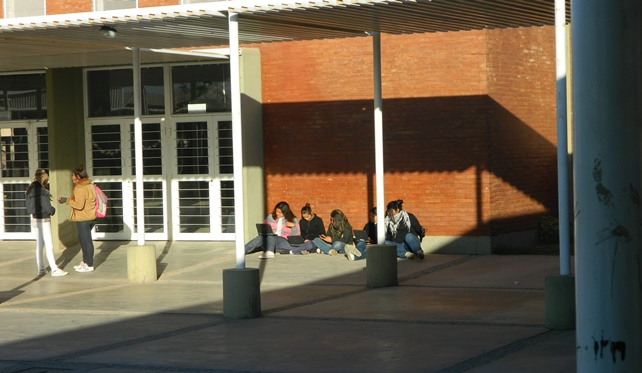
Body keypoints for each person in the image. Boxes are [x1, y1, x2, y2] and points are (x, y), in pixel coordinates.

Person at [25, 169, 68, 277]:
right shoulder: (42, 191)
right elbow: (47, 207)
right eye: (47, 179)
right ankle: (54, 269)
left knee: (39, 246)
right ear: (43, 178)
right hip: (44, 221)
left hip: (34, 220)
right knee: (49, 245)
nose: (47, 181)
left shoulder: (30, 190)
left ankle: (41, 268)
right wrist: (52, 210)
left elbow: (29, 208)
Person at [58, 165, 97, 273]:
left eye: (73, 175)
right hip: (90, 216)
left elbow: (79, 205)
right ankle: (85, 262)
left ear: (77, 177)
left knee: (86, 241)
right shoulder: (90, 185)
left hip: (83, 218)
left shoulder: (81, 188)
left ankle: (89, 264)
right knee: (83, 240)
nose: (71, 177)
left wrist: (66, 201)